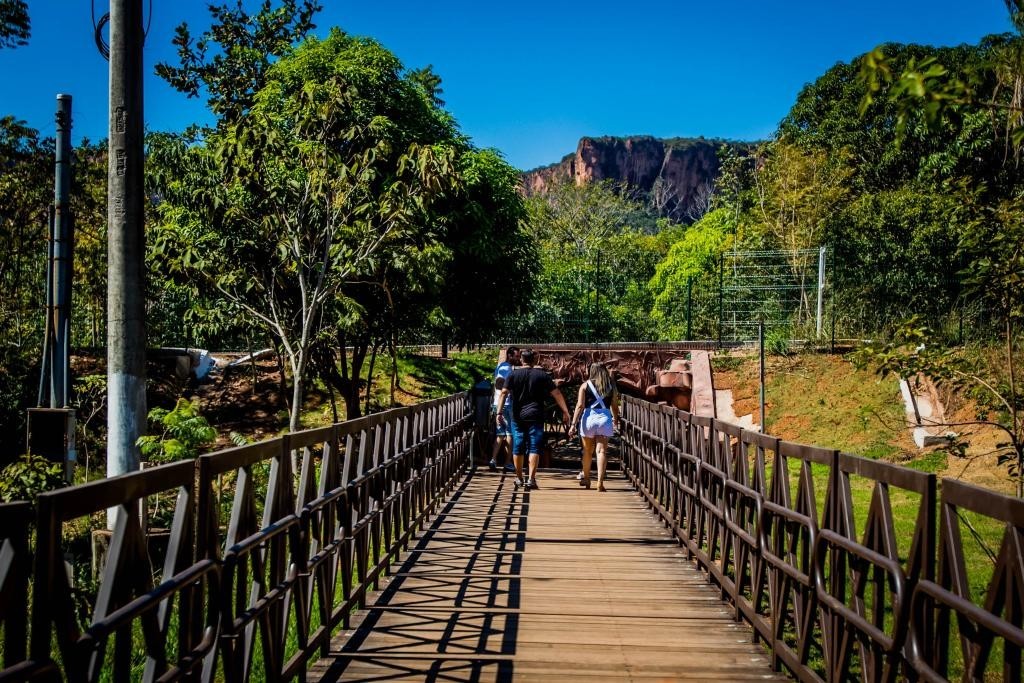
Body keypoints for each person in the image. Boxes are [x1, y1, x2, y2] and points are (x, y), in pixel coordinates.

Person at [496, 348, 570, 490]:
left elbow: (503, 393)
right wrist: (565, 411)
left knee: (518, 445)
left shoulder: (513, 375)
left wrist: (499, 413)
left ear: (521, 360)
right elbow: (557, 393)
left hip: (517, 416)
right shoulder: (542, 375)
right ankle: (531, 479)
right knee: (534, 447)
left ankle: (518, 478)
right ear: (534, 360)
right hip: (536, 415)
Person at [569, 363, 620, 491]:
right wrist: (616, 420)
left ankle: (586, 478)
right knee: (601, 451)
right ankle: (600, 482)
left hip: (588, 419)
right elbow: (614, 405)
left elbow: (580, 405)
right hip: (604, 419)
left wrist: (573, 424)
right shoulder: (610, 385)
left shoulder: (585, 385)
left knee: (587, 451)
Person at [489, 347, 519, 472]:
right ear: (509, 355)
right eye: (516, 356)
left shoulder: (501, 366)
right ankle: (508, 462)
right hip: (506, 404)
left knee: (500, 433)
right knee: (510, 434)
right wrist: (511, 392)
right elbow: (501, 383)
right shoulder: (507, 369)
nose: (518, 359)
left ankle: (493, 459)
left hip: (497, 403)